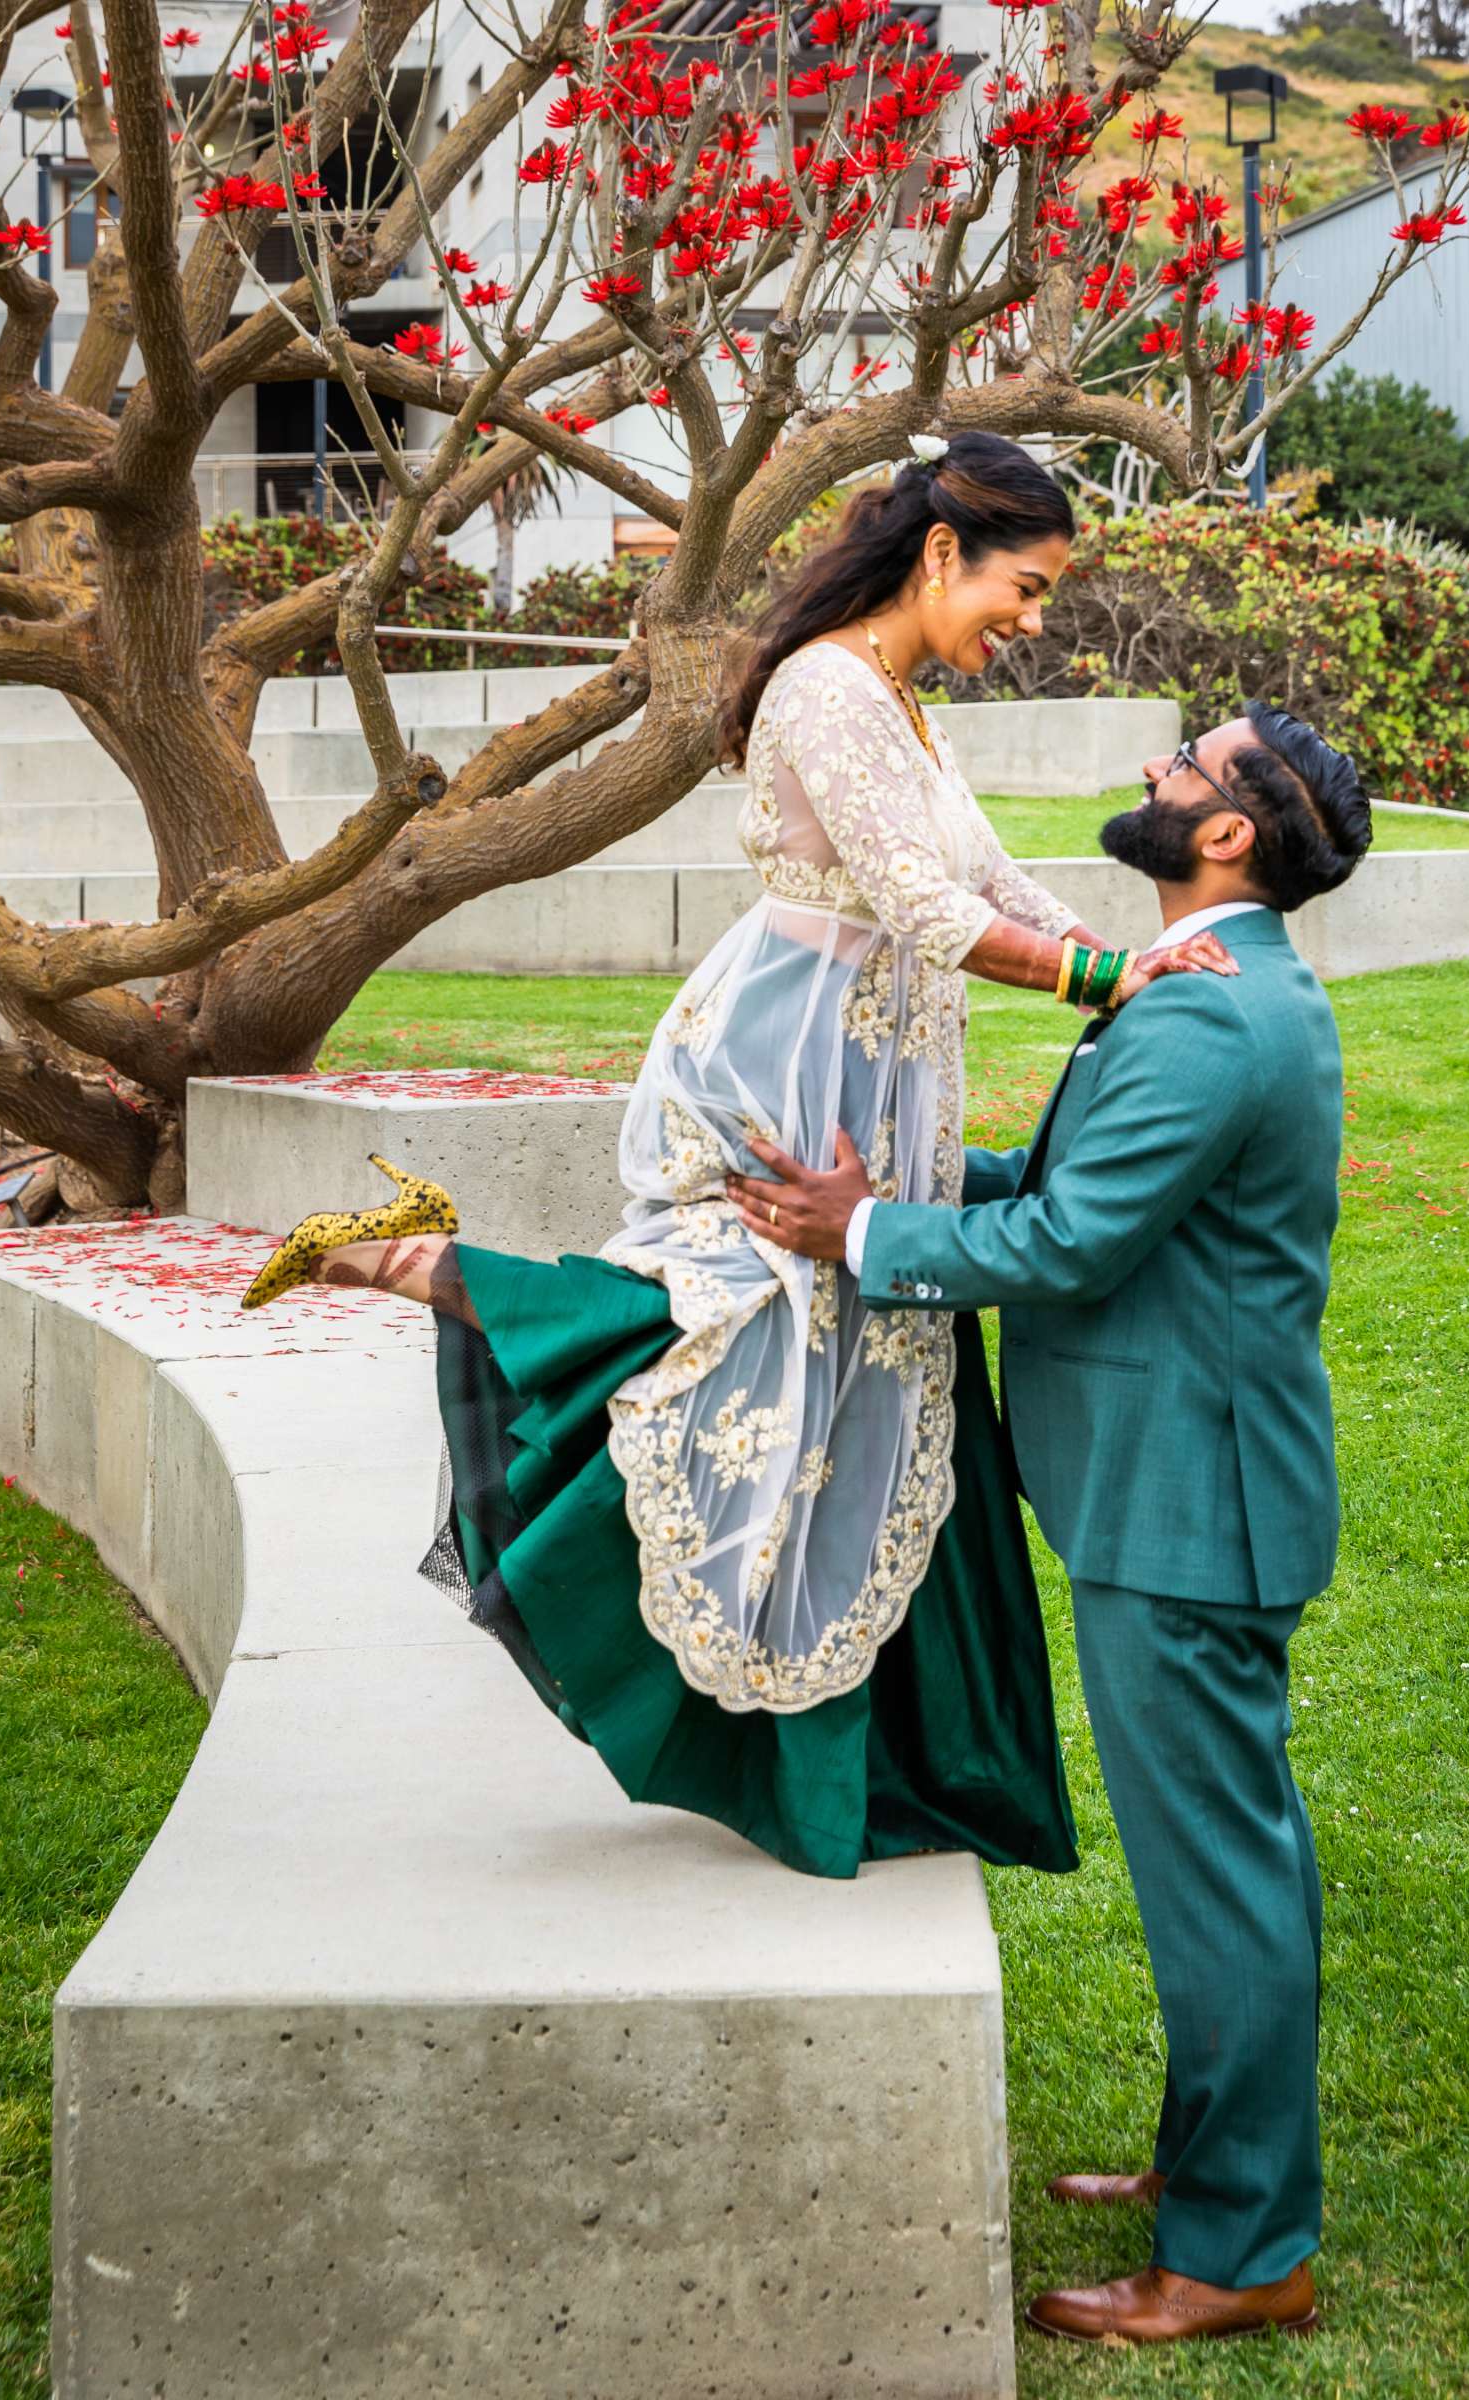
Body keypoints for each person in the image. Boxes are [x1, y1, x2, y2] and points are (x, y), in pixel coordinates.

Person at [238, 431, 1231, 1883]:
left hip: (874, 1064)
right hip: (797, 1058)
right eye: (1025, 587)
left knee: (854, 1360)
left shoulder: (895, 693)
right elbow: (917, 907)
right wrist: (1102, 986)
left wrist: (1136, 952)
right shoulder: (832, 687)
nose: (1033, 620)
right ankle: (418, 1262)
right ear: (943, 551)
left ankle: (865, 1760)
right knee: (752, 1331)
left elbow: (984, 875)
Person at [727, 703, 1373, 2345]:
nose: (1155, 777)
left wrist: (868, 1231)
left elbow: (1078, 1245)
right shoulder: (1215, 993)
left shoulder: (1207, 1019)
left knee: (1222, 1879)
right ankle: (1218, 2171)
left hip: (1186, 1506)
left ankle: (1242, 2257)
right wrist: (933, 1183)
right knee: (1244, 1865)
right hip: (1192, 1489)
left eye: (1186, 766)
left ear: (1228, 831)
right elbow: (1097, 1184)